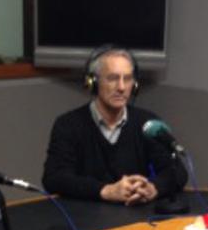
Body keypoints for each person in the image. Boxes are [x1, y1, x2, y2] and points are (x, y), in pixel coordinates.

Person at [42, 45, 187, 205]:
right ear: (92, 82)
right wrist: (106, 191)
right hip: (85, 219)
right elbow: (54, 178)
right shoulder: (68, 125)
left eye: (128, 78)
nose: (122, 87)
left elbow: (177, 171)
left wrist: (153, 188)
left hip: (135, 219)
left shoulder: (147, 123)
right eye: (112, 78)